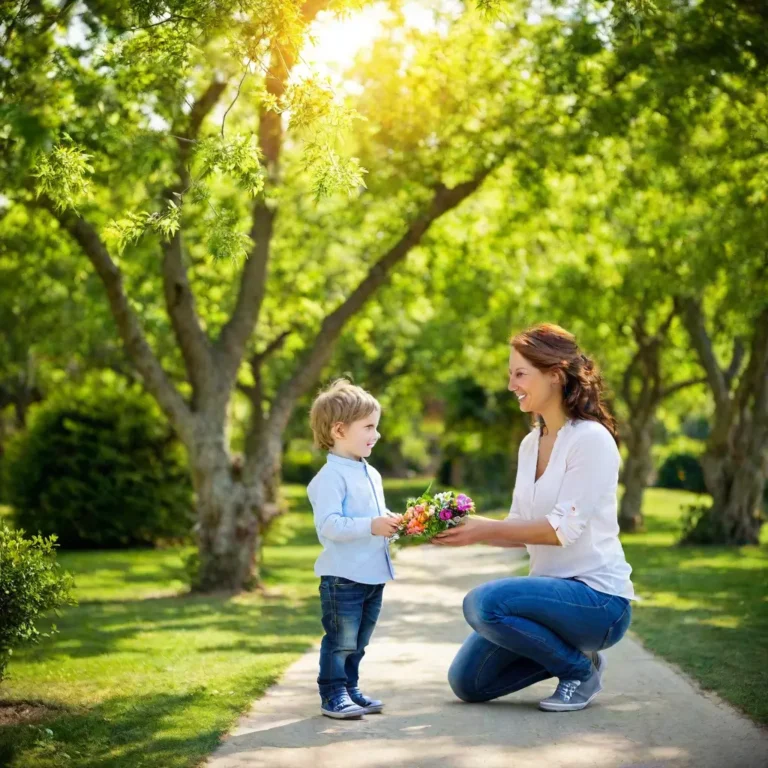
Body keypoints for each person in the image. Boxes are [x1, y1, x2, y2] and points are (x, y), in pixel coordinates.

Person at [433, 324, 634, 712]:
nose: (511, 385)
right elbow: (518, 525)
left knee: (483, 604)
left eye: (520, 373)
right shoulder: (531, 443)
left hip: (598, 601)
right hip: (550, 595)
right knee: (468, 683)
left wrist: (484, 530)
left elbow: (562, 531)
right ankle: (580, 661)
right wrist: (466, 529)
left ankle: (578, 671)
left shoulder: (590, 440)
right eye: (510, 374)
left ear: (555, 375)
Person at [307, 379, 402, 719]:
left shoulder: (369, 472)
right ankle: (332, 693)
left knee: (359, 642)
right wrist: (371, 525)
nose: (376, 435)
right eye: (369, 427)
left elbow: (372, 517)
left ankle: (350, 687)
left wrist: (391, 523)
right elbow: (330, 525)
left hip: (371, 574)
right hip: (343, 577)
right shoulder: (330, 478)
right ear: (339, 429)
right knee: (340, 640)